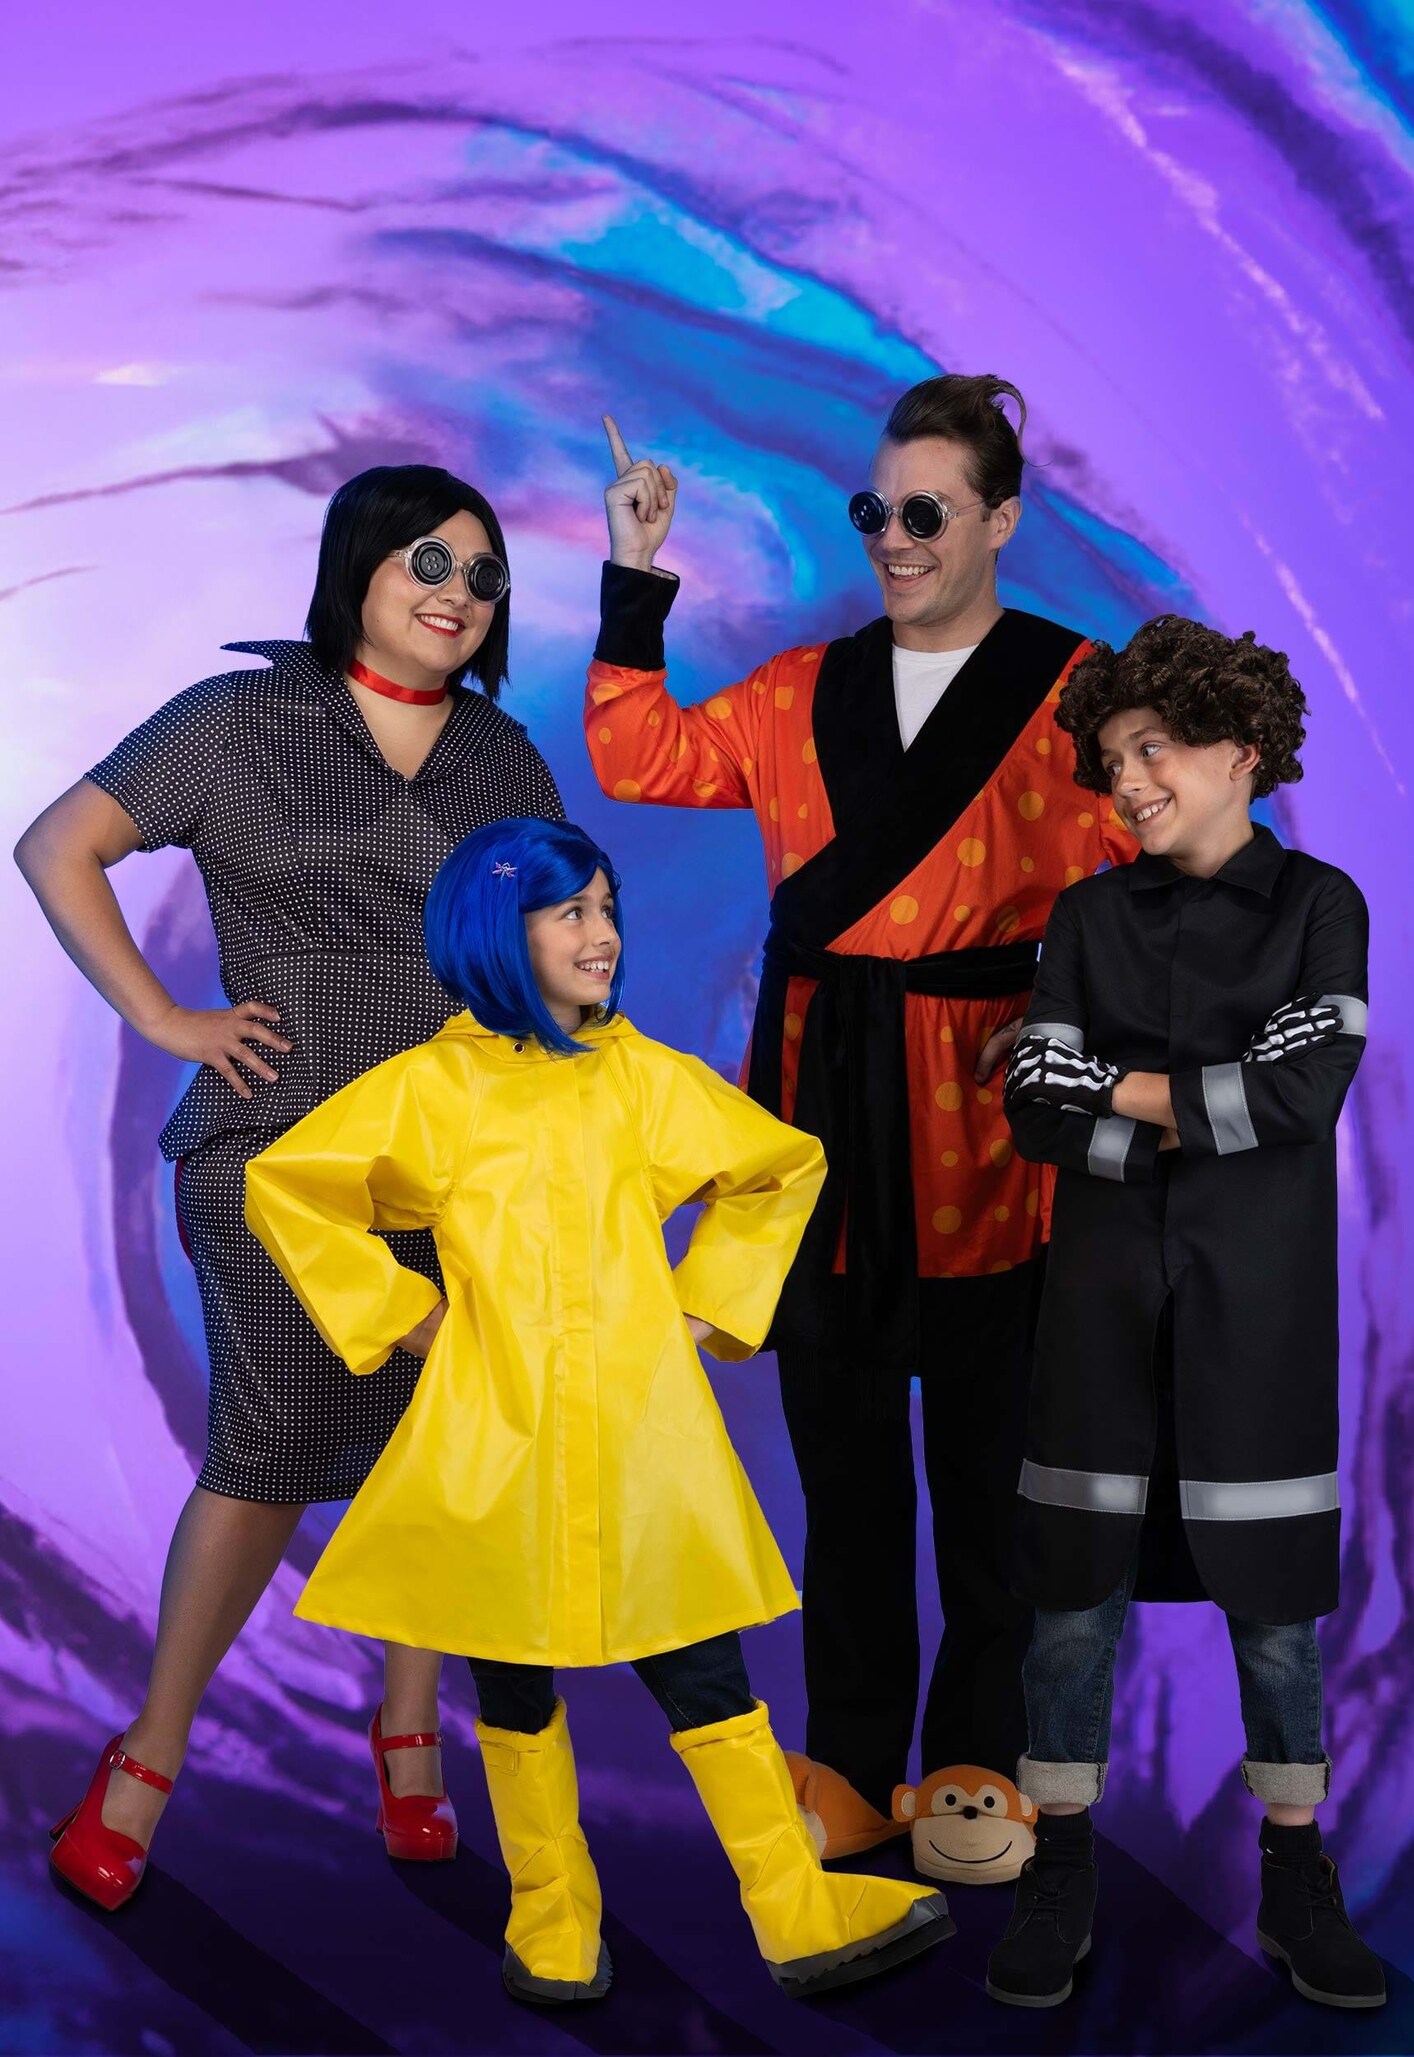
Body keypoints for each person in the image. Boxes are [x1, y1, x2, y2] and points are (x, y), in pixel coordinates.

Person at [243, 815, 953, 2003]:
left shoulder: (645, 1080)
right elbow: (288, 1185)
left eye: (608, 906)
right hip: (497, 1433)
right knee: (512, 1681)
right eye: (570, 910)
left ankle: (795, 1908)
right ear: (496, 931)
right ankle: (552, 1920)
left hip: (639, 1434)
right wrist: (412, 1319)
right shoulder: (431, 1090)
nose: (603, 932)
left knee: (705, 1670)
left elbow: (782, 1166)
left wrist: (702, 1306)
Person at [583, 379, 1132, 1870]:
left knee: (992, 1472)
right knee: (845, 1477)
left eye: (927, 512)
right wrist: (634, 568)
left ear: (1000, 520)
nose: (894, 537)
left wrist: (1084, 1014)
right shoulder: (796, 689)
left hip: (989, 1126)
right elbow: (641, 757)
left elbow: (1179, 857)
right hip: (817, 1110)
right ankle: (846, 1761)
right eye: (875, 510)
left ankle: (976, 1765)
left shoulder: (1079, 695)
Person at [18, 466, 564, 1911]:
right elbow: (57, 844)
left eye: (484, 575)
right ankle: (150, 1753)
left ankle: (408, 1723)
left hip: (461, 1157)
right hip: (279, 1150)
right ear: (357, 567)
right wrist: (163, 1015)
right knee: (267, 1447)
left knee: (442, 1448)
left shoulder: (504, 758)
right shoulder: (240, 719)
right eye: (428, 560)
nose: (458, 592)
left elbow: (560, 937)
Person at [987, 616, 1385, 2011]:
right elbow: (1034, 1104)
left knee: (1274, 1610)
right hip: (1098, 1296)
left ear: (1241, 747)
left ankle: (1297, 1873)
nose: (1129, 781)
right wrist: (1203, 1107)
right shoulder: (1089, 916)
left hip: (1257, 1300)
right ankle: (1059, 1866)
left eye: (1152, 749)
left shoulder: (1321, 905)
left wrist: (1115, 1085)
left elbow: (1305, 1094)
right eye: (1112, 760)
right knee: (1070, 1599)